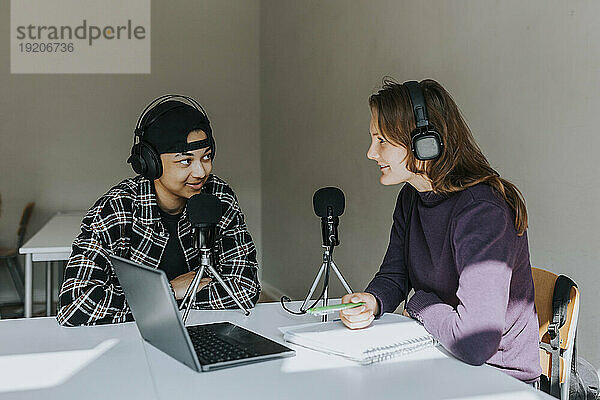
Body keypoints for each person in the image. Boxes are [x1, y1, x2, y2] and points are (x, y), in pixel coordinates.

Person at [340, 79, 541, 383]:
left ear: (425, 142)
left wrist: (419, 302)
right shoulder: (411, 196)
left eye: (382, 141)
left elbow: (475, 343)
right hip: (440, 354)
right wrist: (372, 301)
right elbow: (395, 273)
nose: (371, 153)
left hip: (496, 379)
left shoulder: (482, 211)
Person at [57, 95, 260, 326]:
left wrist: (146, 300)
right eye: (185, 161)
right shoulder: (116, 208)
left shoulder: (218, 197)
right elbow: (76, 306)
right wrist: (171, 290)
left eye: (206, 157)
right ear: (150, 163)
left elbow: (245, 289)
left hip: (203, 328)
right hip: (131, 337)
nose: (201, 172)